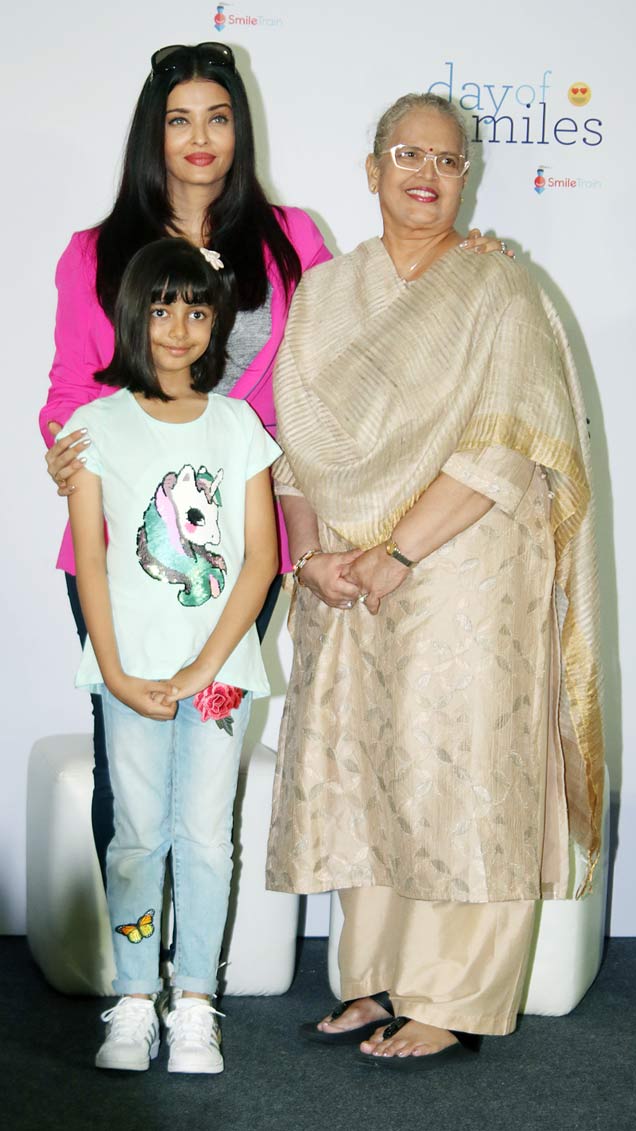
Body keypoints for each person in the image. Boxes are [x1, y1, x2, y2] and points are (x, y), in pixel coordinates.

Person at [40, 40, 510, 884]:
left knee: (209, 755)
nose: (199, 138)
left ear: (239, 131)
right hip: (120, 558)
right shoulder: (94, 252)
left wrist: (463, 266)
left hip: (244, 559)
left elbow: (369, 334)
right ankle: (132, 978)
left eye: (218, 119)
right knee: (130, 765)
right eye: (179, 120)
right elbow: (69, 389)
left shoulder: (292, 241)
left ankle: (192, 993)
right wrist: (71, 454)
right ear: (154, 133)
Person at [267, 92, 604, 1070]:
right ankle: (372, 976)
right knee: (366, 766)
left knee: (459, 771)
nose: (425, 173)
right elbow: (296, 449)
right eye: (406, 154)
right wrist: (311, 555)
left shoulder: (500, 290)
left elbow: (509, 449)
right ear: (371, 169)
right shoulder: (328, 294)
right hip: (345, 573)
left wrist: (399, 551)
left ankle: (453, 996)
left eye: (447, 160)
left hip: (463, 566)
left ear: (469, 176)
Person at [61, 237, 279, 1073]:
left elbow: (260, 558)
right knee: (136, 837)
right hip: (130, 674)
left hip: (218, 675)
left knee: (203, 835)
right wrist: (115, 669)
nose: (179, 327)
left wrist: (202, 669)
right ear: (132, 315)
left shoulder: (237, 424)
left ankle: (194, 1001)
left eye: (196, 309)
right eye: (161, 308)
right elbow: (89, 558)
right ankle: (132, 998)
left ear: (216, 319)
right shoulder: (94, 426)